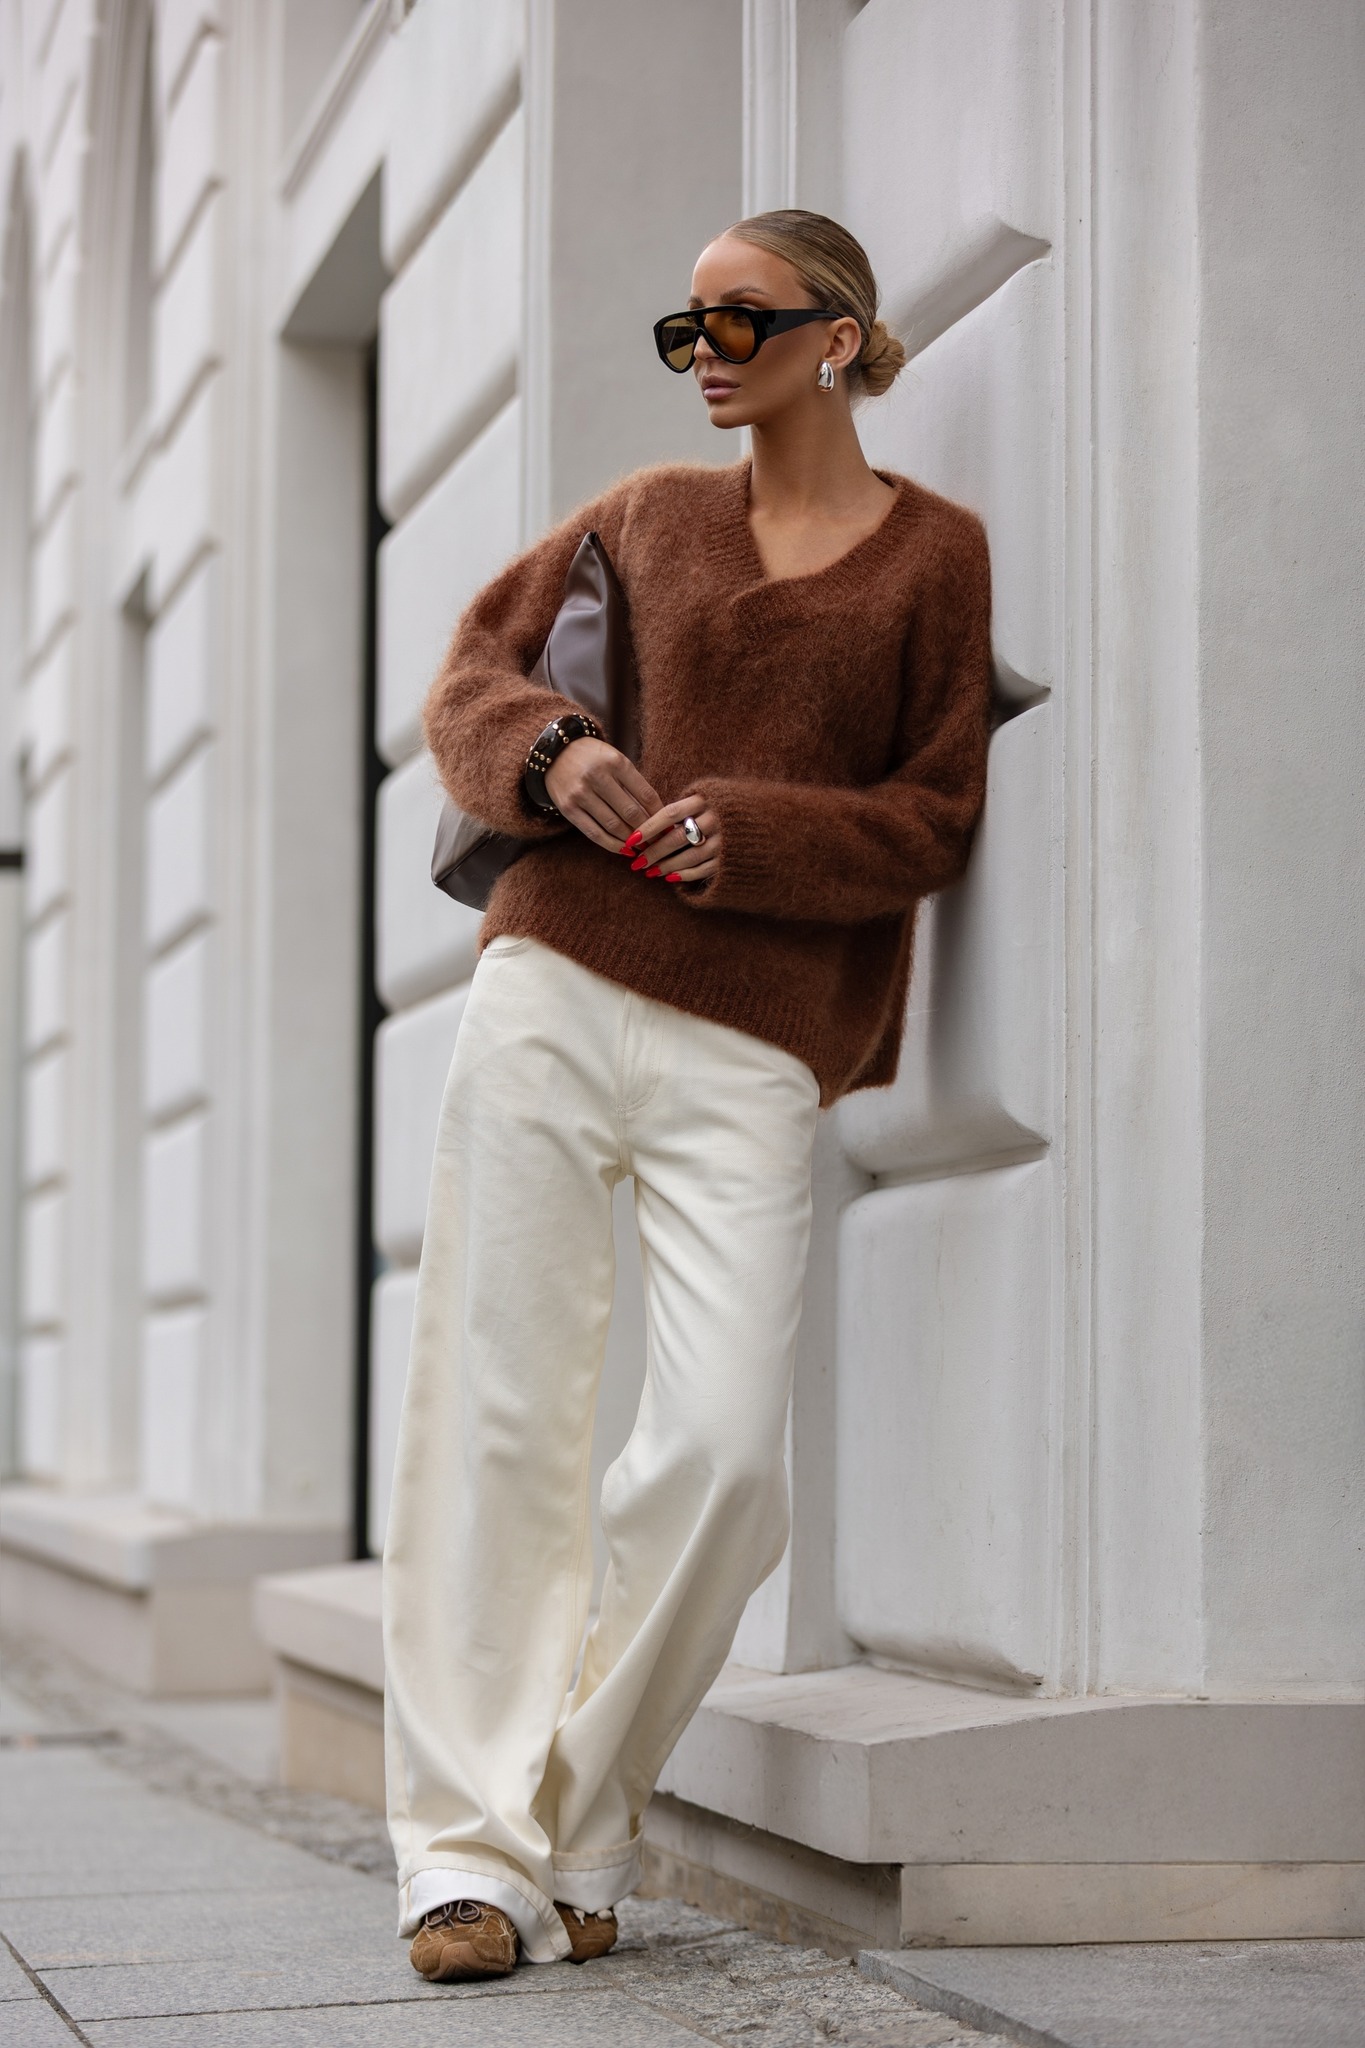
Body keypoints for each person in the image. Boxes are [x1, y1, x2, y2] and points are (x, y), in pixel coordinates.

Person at [383, 208, 993, 1983]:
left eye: (736, 321)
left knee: (723, 1456)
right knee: (499, 1414)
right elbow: (472, 679)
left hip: (756, 1039)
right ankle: (462, 1859)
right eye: (685, 327)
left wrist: (759, 838)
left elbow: (933, 814)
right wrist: (554, 753)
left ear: (837, 338)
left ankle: (581, 1820)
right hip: (555, 985)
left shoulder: (933, 558)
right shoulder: (646, 517)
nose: (701, 353)